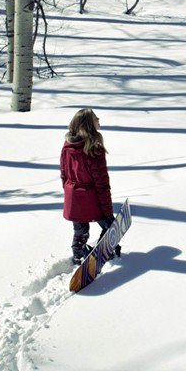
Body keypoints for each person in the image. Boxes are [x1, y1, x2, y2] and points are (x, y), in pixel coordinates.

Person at [60, 108, 115, 264]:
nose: (99, 119)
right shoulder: (94, 148)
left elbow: (63, 172)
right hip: (91, 197)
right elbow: (102, 183)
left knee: (80, 231)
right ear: (89, 124)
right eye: (96, 118)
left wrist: (69, 190)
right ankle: (104, 249)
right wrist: (108, 211)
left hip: (73, 195)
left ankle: (78, 253)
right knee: (108, 224)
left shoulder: (67, 145)